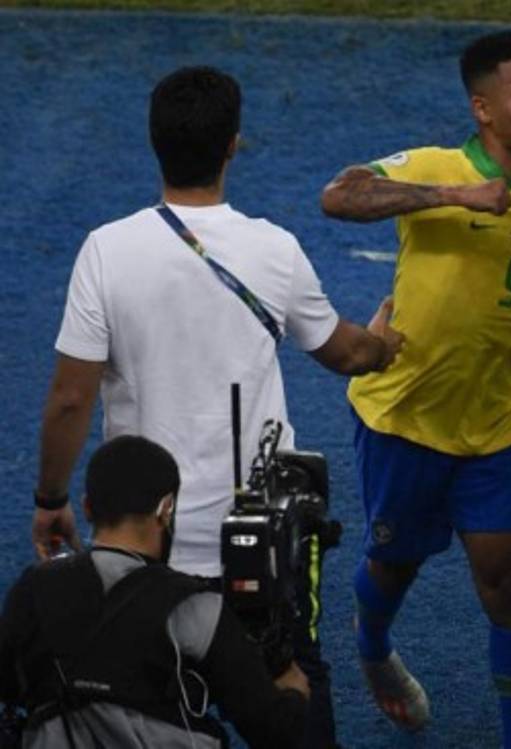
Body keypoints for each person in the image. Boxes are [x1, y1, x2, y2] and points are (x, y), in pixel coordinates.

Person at [32, 65, 402, 749]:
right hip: (257, 546)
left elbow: (69, 398)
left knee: (150, 701)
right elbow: (345, 352)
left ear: (154, 142)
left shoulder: (105, 252)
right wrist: (384, 346)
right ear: (233, 145)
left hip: (144, 551)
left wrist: (51, 496)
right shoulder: (275, 250)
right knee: (296, 686)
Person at [319, 30, 511, 748]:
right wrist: (451, 196)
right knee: (393, 567)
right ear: (484, 109)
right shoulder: (440, 165)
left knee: (507, 581)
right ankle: (372, 645)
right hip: (404, 421)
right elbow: (338, 196)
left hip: (495, 424)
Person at [1, 435, 310, 748]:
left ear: (88, 508)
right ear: (166, 509)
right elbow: (274, 730)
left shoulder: (32, 589)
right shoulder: (195, 607)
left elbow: (9, 687)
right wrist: (293, 691)